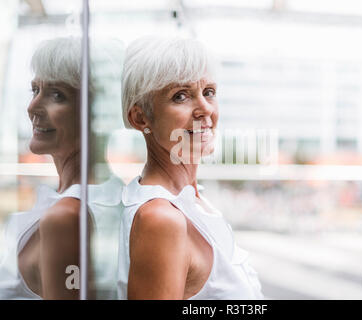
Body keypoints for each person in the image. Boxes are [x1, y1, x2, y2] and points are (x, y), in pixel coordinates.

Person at [117, 37, 263, 299]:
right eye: (180, 96)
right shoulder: (161, 219)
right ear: (140, 118)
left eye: (208, 92)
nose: (205, 109)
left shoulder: (192, 201)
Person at [0, 37, 123, 299]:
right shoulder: (108, 197)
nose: (32, 107)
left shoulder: (67, 217)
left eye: (57, 95)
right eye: (35, 90)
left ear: (98, 112)